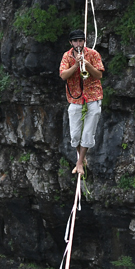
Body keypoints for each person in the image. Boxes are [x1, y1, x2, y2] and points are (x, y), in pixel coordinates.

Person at [59, 29, 105, 175]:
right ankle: (81, 160)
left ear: (84, 41)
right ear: (71, 43)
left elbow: (99, 75)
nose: (78, 43)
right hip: (75, 97)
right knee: (74, 134)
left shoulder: (93, 54)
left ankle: (79, 163)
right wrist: (75, 65)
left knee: (88, 131)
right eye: (76, 41)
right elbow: (63, 75)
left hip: (93, 94)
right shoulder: (67, 56)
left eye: (81, 40)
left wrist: (87, 64)